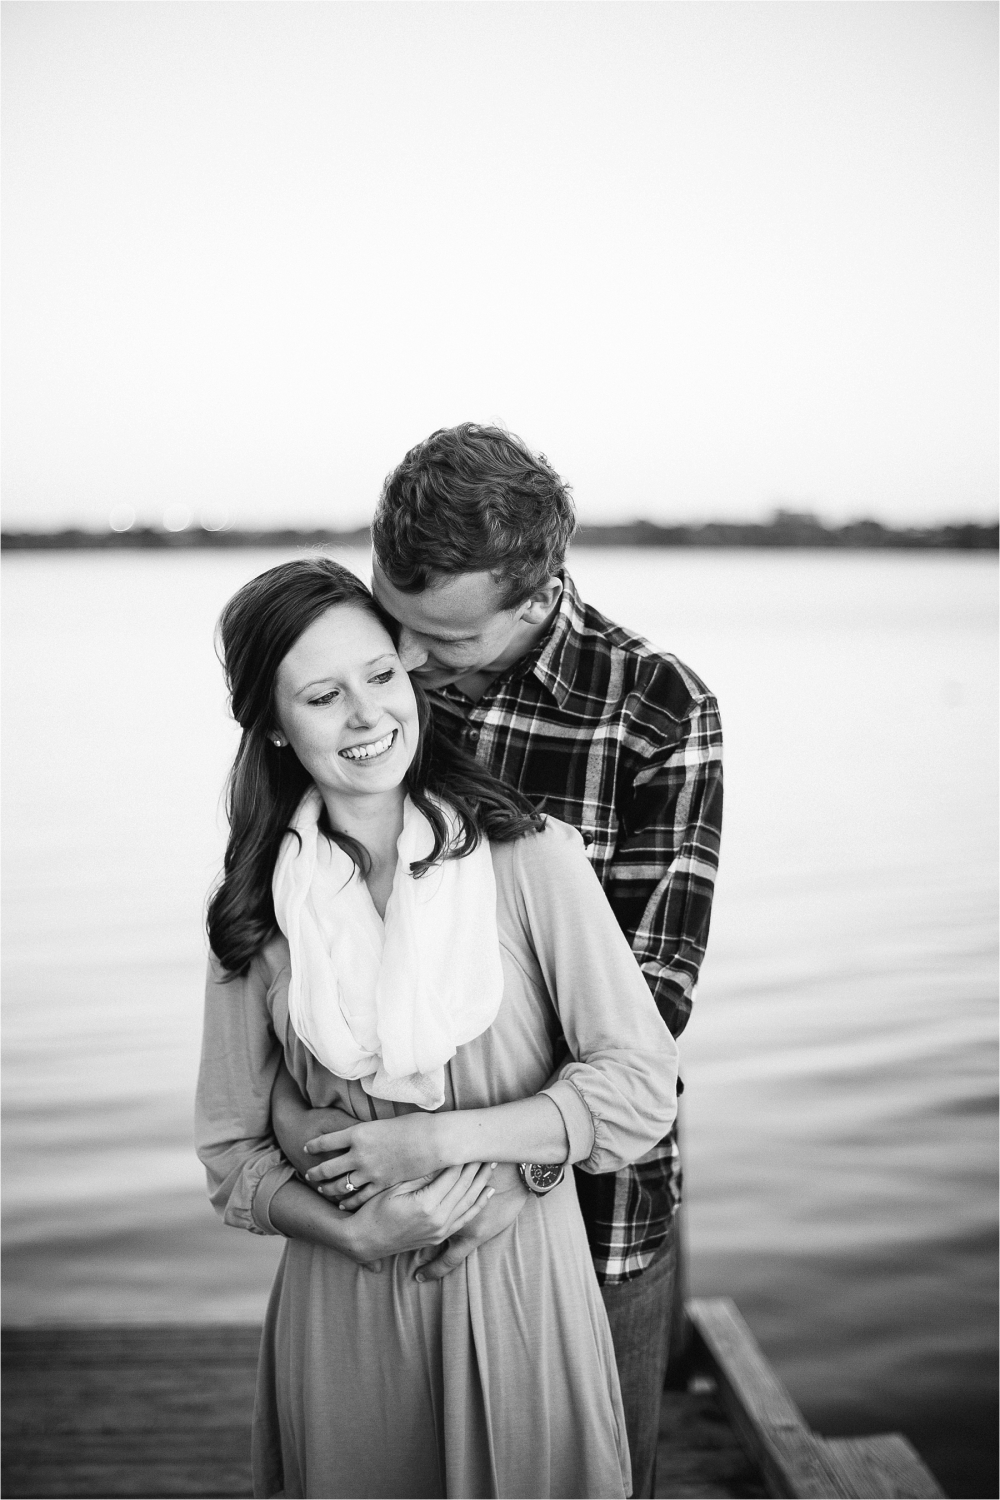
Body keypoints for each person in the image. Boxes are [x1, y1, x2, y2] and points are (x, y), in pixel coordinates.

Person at [271, 423, 723, 1497]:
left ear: (535, 593)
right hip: (377, 1214)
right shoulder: (366, 683)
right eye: (396, 627)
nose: (410, 671)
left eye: (446, 644)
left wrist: (502, 1164)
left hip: (585, 1212)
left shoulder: (655, 713)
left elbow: (647, 1003)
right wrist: (337, 1153)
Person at [195, 557, 679, 1499]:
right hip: (340, 1304)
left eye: (381, 676)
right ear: (277, 729)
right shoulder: (255, 910)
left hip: (515, 1288)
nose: (369, 716)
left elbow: (638, 1086)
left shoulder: (530, 856)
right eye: (324, 696)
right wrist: (358, 1234)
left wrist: (430, 1142)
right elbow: (229, 1154)